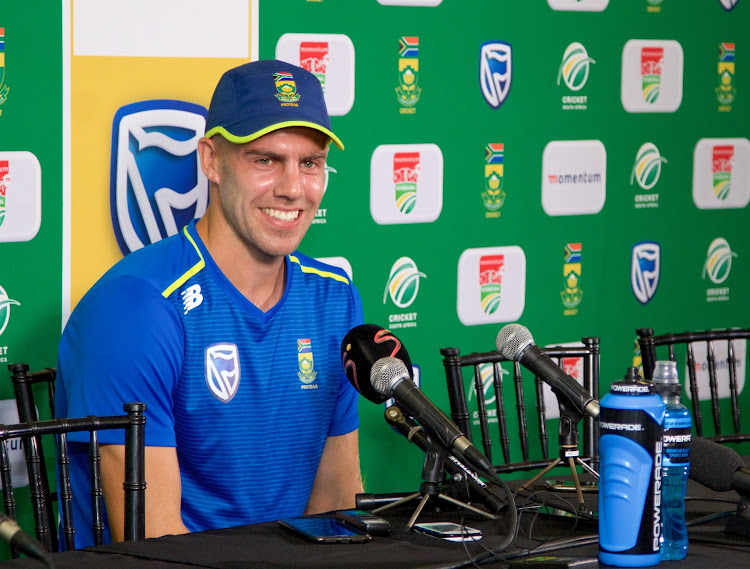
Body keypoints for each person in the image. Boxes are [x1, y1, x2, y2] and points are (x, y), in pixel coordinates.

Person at [56, 59, 364, 548]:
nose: (292, 188)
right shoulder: (136, 306)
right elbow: (157, 549)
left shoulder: (334, 297)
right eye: (266, 160)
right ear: (211, 160)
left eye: (310, 163)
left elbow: (336, 507)